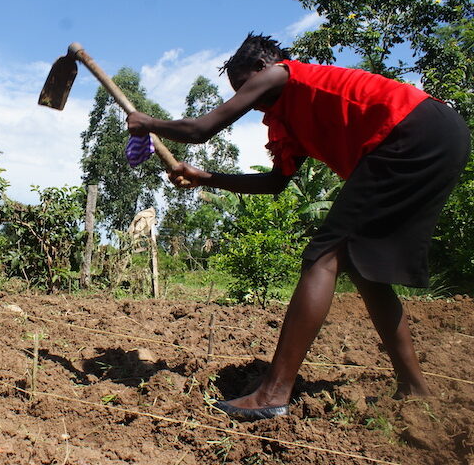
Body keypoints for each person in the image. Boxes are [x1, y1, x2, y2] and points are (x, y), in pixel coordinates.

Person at [127, 33, 471, 421]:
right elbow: (275, 183)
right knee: (363, 268)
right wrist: (205, 178)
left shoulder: (282, 75)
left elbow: (201, 130)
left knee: (323, 256)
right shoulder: (285, 120)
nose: (248, 100)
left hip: (414, 129)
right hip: (435, 135)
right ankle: (415, 389)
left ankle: (273, 393)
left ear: (261, 69)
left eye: (245, 88)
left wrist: (147, 122)